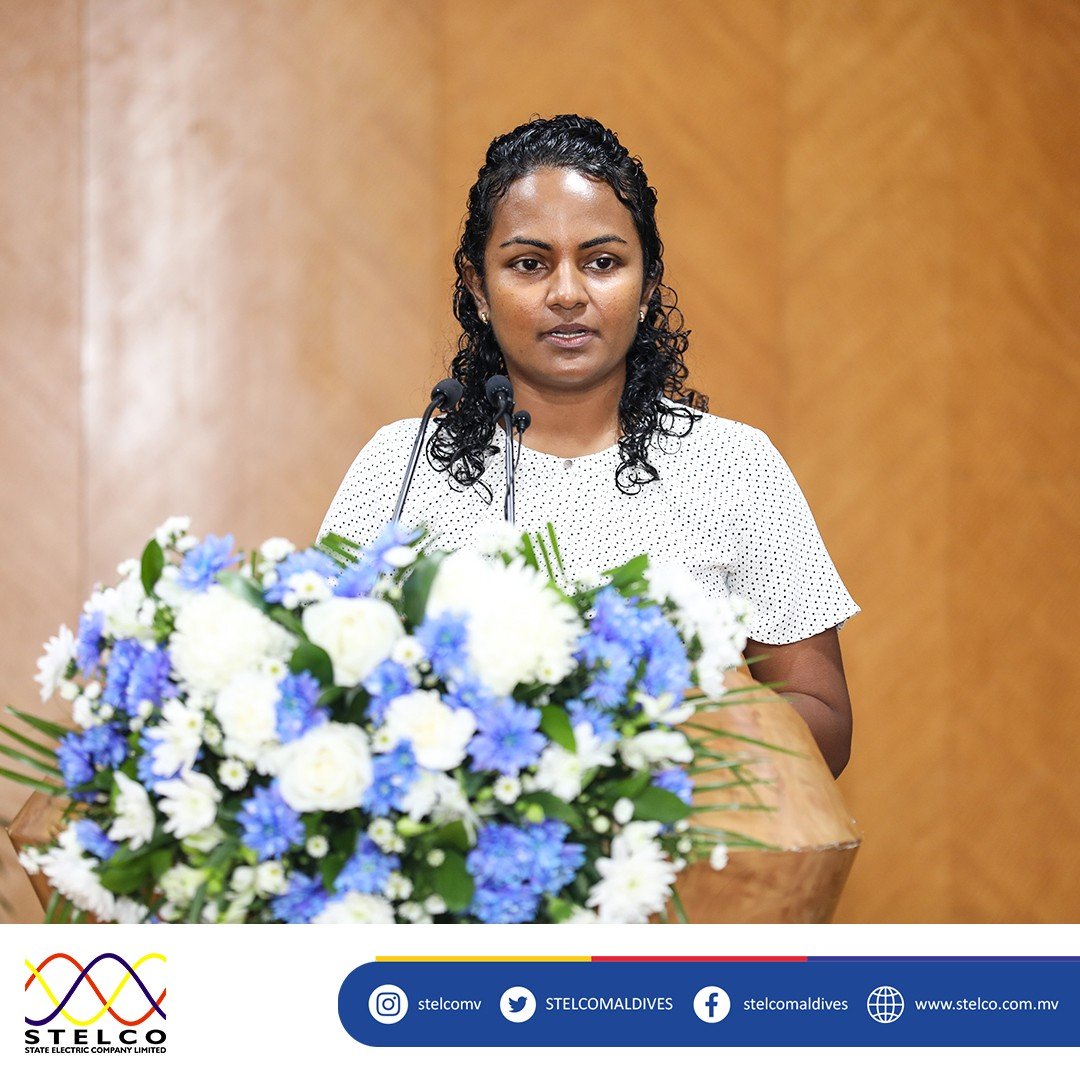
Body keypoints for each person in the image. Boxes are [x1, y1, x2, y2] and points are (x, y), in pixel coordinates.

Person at [319, 114, 860, 777]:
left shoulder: (734, 466)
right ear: (478, 286)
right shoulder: (399, 467)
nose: (568, 294)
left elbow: (822, 717)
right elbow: (321, 681)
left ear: (648, 283)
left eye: (602, 262)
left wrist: (660, 737)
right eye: (529, 264)